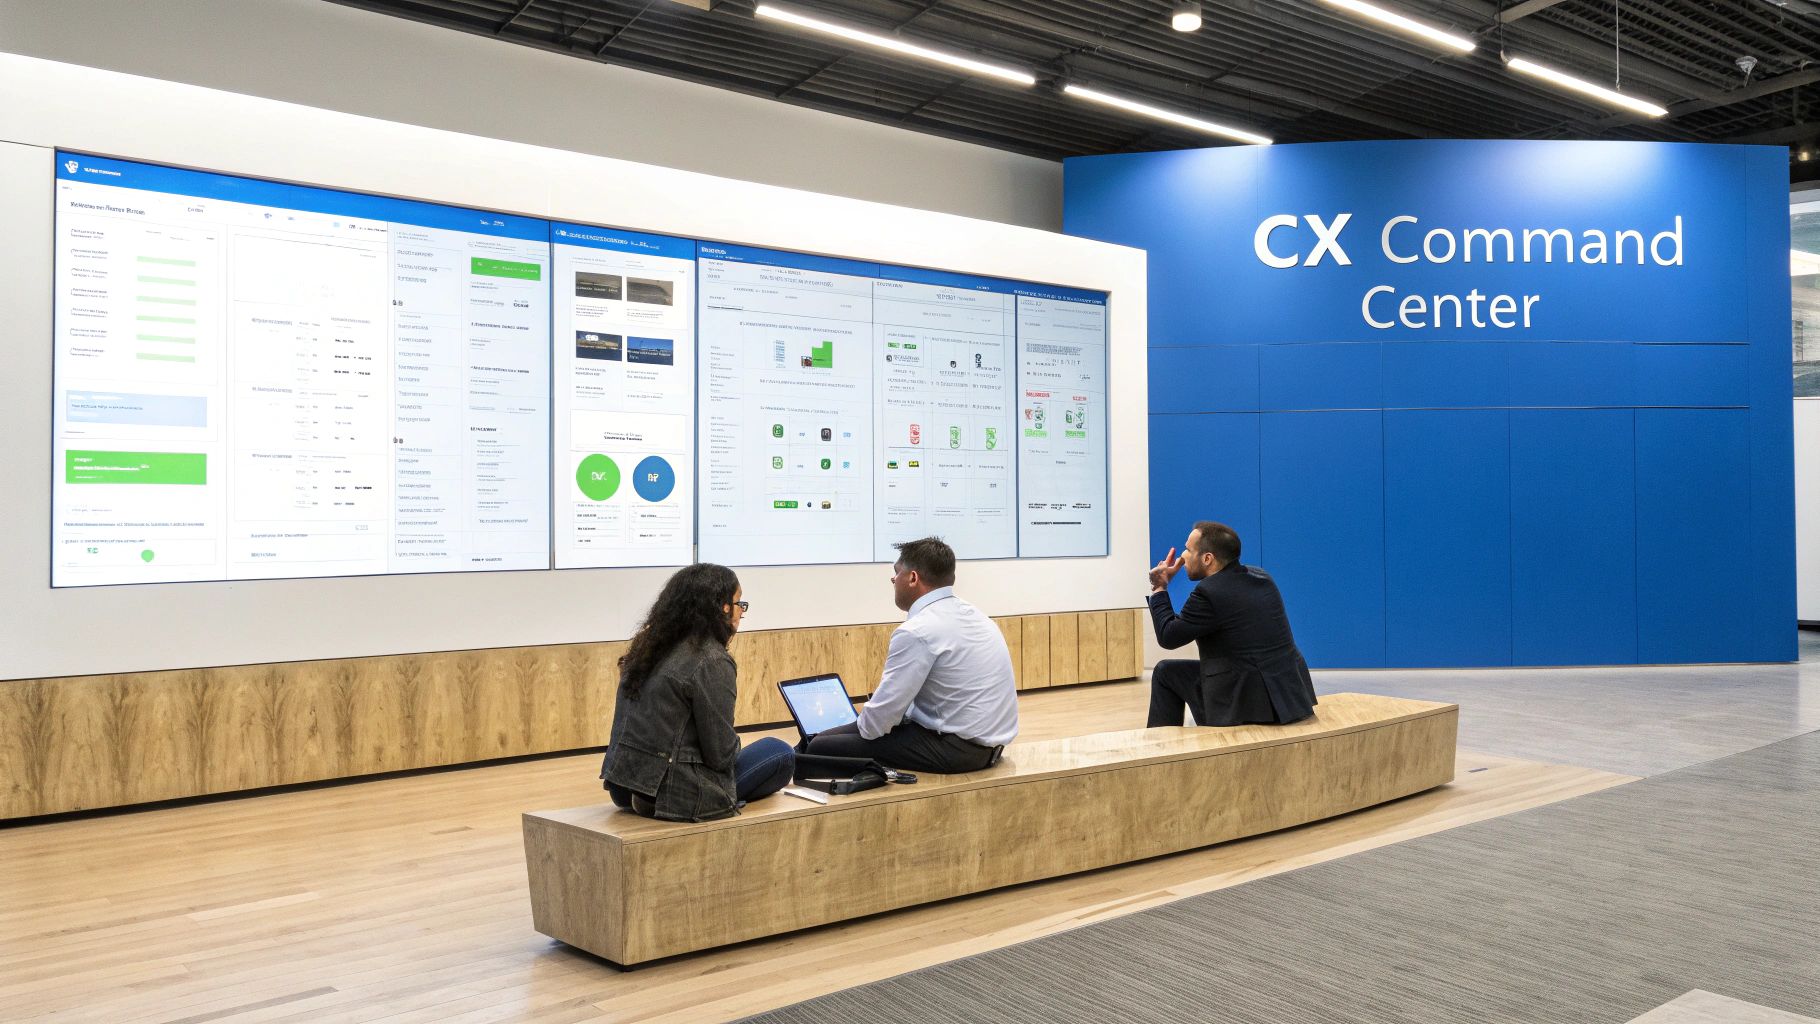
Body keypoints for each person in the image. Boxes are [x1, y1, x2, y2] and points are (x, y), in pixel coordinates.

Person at [804, 537, 1017, 773]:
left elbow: (878, 722)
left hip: (954, 752)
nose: (894, 580)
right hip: (988, 747)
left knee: (819, 746)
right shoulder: (975, 614)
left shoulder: (918, 631)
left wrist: (831, 733)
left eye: (896, 573)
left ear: (913, 578)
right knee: (826, 738)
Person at [600, 563, 795, 822]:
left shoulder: (647, 648)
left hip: (624, 785)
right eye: (739, 603)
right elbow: (721, 756)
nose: (741, 612)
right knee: (780, 752)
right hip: (673, 793)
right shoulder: (710, 659)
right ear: (723, 607)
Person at [1145, 521, 1318, 728]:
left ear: (1207, 558)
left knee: (1165, 672)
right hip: (1290, 697)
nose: (1183, 556)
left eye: (1188, 550)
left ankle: (1163, 754)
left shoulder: (1209, 592)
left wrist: (1160, 587)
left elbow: (1168, 636)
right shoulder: (1262, 577)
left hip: (1246, 703)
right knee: (1170, 671)